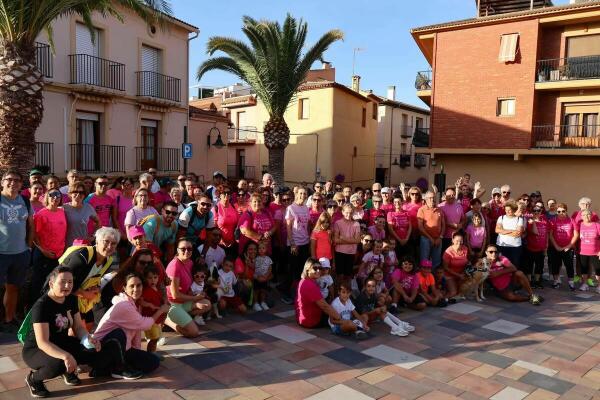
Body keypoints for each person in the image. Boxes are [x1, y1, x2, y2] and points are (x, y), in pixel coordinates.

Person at [22, 267, 101, 398]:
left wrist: (88, 339)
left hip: (62, 343)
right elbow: (42, 342)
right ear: (51, 284)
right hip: (36, 349)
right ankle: (33, 379)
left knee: (90, 350)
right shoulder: (41, 306)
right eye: (63, 282)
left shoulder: (71, 299)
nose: (67, 285)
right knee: (57, 364)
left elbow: (78, 328)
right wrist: (66, 356)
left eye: (70, 282)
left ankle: (67, 371)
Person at [93, 273, 169, 379]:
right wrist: (161, 310)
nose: (136, 289)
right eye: (131, 286)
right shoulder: (123, 305)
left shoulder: (134, 304)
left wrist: (136, 351)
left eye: (139, 285)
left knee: (153, 362)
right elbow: (144, 324)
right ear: (124, 288)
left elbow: (136, 330)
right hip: (101, 350)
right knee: (119, 334)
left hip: (123, 349)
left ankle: (116, 366)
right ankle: (114, 369)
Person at [58, 227, 120, 329]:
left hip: (81, 299)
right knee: (75, 330)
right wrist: (85, 294)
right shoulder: (82, 257)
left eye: (113, 244)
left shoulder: (108, 260)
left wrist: (97, 288)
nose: (109, 246)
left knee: (89, 324)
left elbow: (95, 279)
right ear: (97, 241)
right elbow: (62, 282)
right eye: (106, 242)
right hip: (63, 296)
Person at [1, 170, 34, 332]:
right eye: (9, 179)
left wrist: (28, 247)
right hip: (1, 254)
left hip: (20, 253)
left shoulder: (25, 202)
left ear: (21, 184)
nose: (13, 183)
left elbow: (31, 226)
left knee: (13, 287)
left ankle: (9, 318)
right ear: (2, 182)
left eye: (17, 180)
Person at [164, 238, 211, 338]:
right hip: (173, 304)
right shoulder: (174, 266)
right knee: (193, 333)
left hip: (184, 301)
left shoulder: (189, 262)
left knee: (207, 304)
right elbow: (175, 295)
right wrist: (195, 298)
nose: (186, 251)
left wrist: (198, 293)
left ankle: (184, 317)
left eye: (189, 249)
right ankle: (168, 321)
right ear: (177, 250)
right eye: (183, 249)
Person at [30, 189, 68, 305]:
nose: (55, 198)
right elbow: (34, 235)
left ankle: (49, 307)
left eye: (58, 195)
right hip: (43, 254)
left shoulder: (62, 211)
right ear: (47, 197)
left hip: (59, 255)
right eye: (52, 195)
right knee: (38, 283)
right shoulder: (41, 214)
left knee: (53, 283)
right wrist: (43, 250)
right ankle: (32, 309)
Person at [295, 258, 344, 328]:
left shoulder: (304, 280)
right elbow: (324, 306)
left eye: (320, 268)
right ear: (307, 270)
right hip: (311, 321)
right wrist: (339, 317)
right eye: (315, 268)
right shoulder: (310, 285)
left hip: (302, 318)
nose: (318, 271)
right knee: (341, 315)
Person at [285, 187, 310, 297]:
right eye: (300, 193)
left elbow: (307, 226)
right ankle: (288, 293)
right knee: (292, 270)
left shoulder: (306, 208)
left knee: (302, 269)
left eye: (304, 194)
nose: (302, 195)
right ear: (296, 194)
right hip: (295, 244)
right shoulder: (291, 208)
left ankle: (299, 292)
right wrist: (292, 243)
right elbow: (288, 227)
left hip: (305, 242)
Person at [548, 203, 577, 290]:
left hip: (568, 248)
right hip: (555, 248)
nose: (561, 213)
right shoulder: (553, 220)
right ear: (556, 212)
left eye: (563, 211)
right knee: (555, 265)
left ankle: (571, 283)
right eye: (559, 211)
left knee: (569, 265)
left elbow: (576, 235)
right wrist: (556, 246)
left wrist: (569, 246)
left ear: (566, 210)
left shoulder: (571, 220)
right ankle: (556, 281)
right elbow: (550, 235)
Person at [64, 182, 100, 248]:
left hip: (84, 245)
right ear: (70, 194)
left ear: (84, 195)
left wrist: (93, 236)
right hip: (68, 245)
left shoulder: (88, 207)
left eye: (81, 192)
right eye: (75, 192)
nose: (78, 194)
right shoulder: (64, 208)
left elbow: (98, 222)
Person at [523, 203, 549, 288]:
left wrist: (546, 246)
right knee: (529, 265)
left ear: (541, 211)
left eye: (538, 210)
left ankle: (537, 282)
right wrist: (533, 221)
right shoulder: (529, 221)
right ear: (532, 212)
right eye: (534, 211)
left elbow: (546, 234)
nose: (537, 212)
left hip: (541, 248)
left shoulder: (544, 220)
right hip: (531, 248)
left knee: (539, 266)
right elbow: (535, 232)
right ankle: (529, 282)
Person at [333, 203, 361, 283]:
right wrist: (351, 241)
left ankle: (346, 293)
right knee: (340, 275)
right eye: (347, 212)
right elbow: (335, 240)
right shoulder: (338, 223)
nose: (349, 215)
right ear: (342, 212)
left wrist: (343, 238)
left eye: (351, 212)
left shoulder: (356, 224)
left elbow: (358, 240)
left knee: (348, 275)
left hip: (351, 253)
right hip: (339, 252)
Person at [418, 191, 445, 270]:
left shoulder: (439, 210)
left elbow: (443, 225)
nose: (432, 199)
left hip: (438, 239)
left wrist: (440, 237)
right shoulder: (421, 210)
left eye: (433, 198)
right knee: (424, 261)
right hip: (425, 239)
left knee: (436, 261)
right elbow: (420, 227)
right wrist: (430, 238)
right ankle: (423, 281)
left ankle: (434, 280)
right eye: (430, 198)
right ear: (426, 199)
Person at [575, 209, 600, 292]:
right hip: (583, 251)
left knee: (598, 269)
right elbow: (575, 236)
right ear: (581, 217)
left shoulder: (597, 225)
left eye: (588, 214)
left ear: (591, 215)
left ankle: (599, 286)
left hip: (595, 252)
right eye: (584, 215)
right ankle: (585, 284)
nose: (586, 216)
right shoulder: (579, 225)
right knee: (584, 269)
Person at [495, 200, 524, 267]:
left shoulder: (519, 219)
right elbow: (497, 230)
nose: (507, 211)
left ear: (514, 209)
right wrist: (512, 231)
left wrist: (503, 231)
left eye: (509, 210)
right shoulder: (501, 218)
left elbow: (518, 233)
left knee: (514, 265)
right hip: (502, 245)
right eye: (506, 210)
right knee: (501, 265)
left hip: (515, 247)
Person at [442, 232, 469, 300]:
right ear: (453, 240)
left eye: (461, 241)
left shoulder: (465, 248)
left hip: (461, 274)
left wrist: (464, 272)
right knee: (453, 293)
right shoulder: (448, 252)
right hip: (449, 275)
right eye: (457, 241)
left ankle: (451, 293)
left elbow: (467, 262)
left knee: (463, 291)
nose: (459, 243)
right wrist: (458, 275)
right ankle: (441, 300)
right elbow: (445, 267)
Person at [214, 184, 239, 255]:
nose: (227, 194)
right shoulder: (216, 208)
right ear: (219, 195)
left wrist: (234, 240)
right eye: (224, 193)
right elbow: (214, 228)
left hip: (233, 244)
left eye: (229, 193)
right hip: (220, 244)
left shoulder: (234, 207)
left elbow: (237, 226)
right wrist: (222, 241)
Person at [440, 187, 465, 253]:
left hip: (457, 237)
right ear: (445, 196)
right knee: (445, 255)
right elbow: (438, 221)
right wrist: (451, 225)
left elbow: (463, 219)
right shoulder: (440, 206)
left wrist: (461, 224)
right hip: (444, 236)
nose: (451, 197)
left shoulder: (459, 206)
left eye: (453, 195)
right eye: (449, 195)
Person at [253, 241, 273, 311]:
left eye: (263, 248)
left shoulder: (268, 259)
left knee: (263, 290)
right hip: (257, 277)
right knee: (256, 290)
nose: (261, 250)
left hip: (264, 278)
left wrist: (266, 276)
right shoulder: (256, 258)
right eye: (259, 248)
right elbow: (253, 267)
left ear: (266, 249)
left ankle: (263, 302)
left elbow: (270, 268)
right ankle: (255, 303)